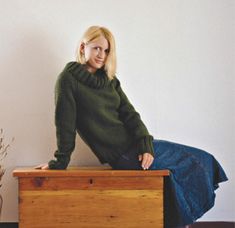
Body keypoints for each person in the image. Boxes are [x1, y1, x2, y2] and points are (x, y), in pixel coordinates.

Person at [36, 25, 228, 227]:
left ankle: (178, 222)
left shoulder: (110, 80)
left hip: (136, 146)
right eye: (97, 48)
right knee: (196, 161)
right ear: (83, 47)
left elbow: (131, 115)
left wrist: (145, 144)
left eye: (107, 50)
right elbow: (64, 124)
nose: (102, 55)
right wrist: (59, 161)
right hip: (123, 154)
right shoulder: (68, 80)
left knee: (183, 171)